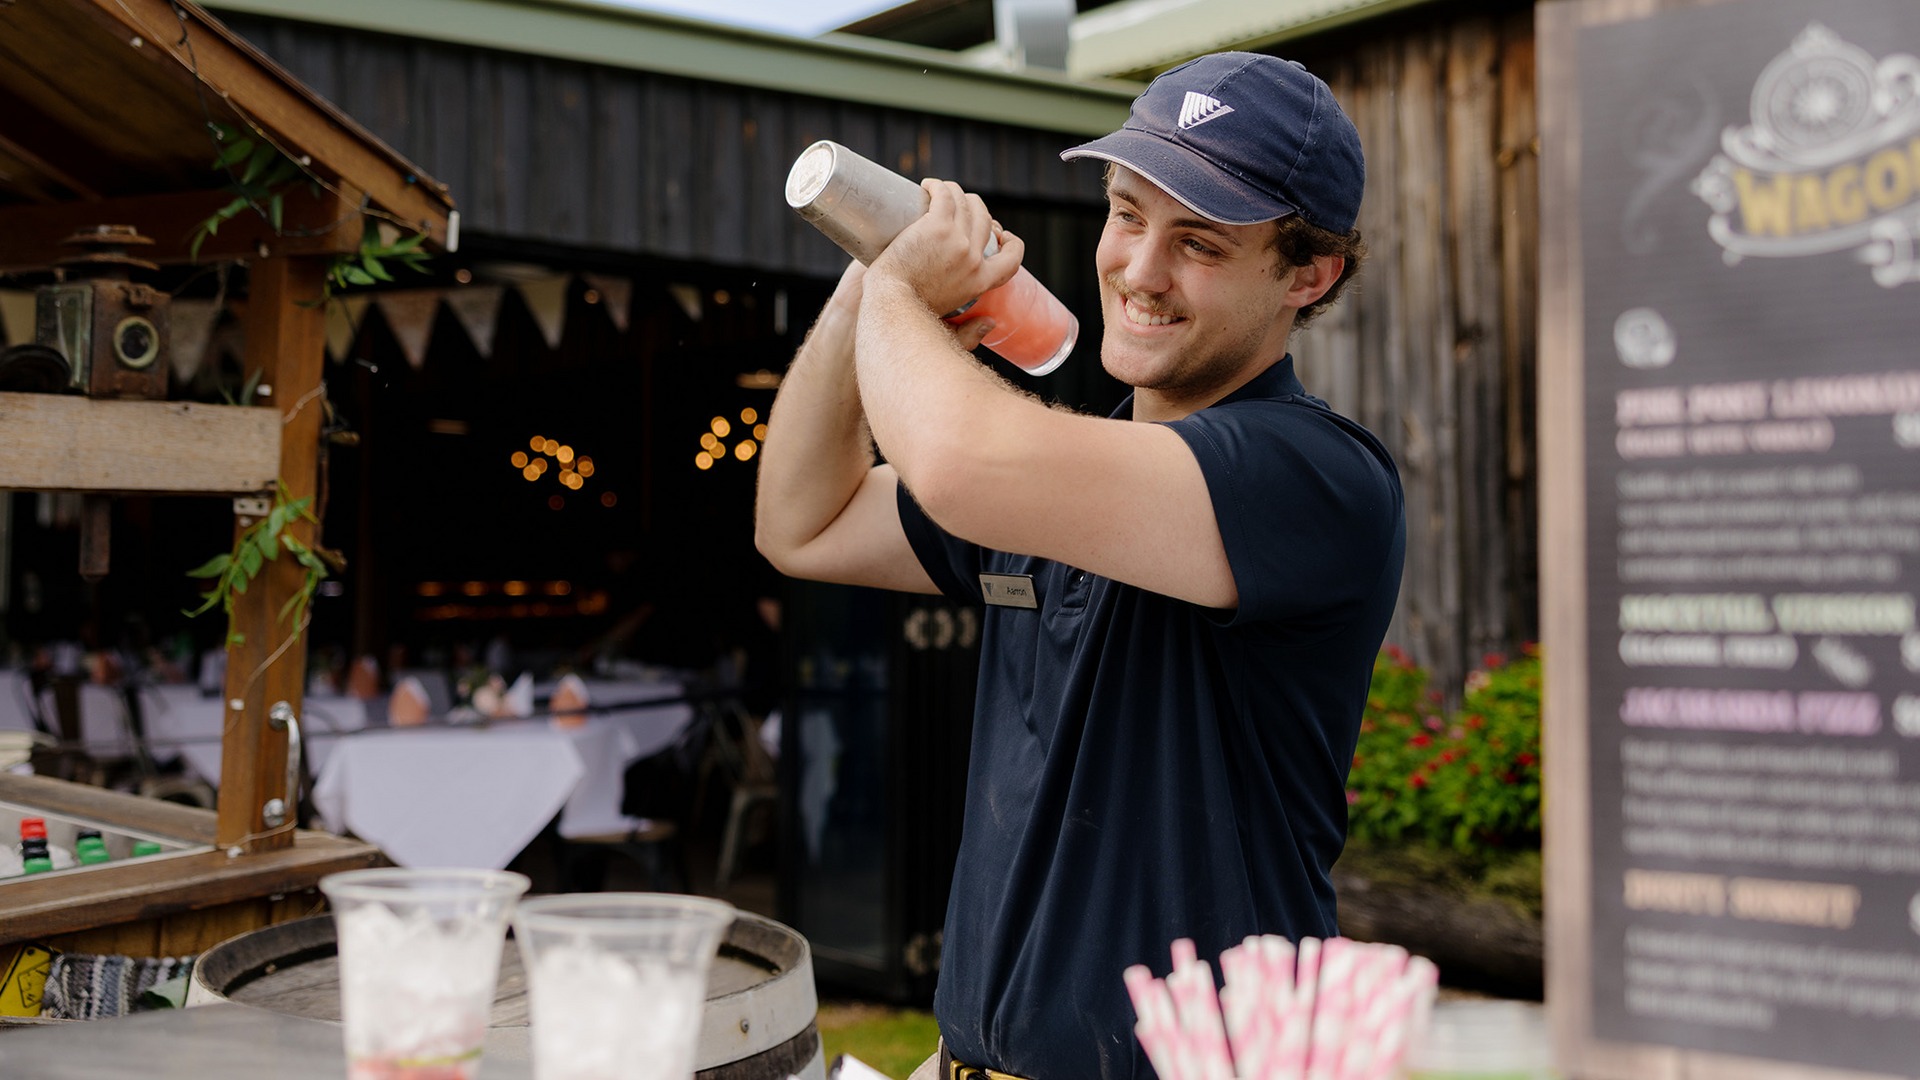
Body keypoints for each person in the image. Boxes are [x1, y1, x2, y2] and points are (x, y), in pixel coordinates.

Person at [755, 52, 1405, 1080]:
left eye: (1200, 241)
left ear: (1308, 273)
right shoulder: (1055, 482)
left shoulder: (1314, 476)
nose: (1141, 270)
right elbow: (805, 521)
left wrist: (903, 298)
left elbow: (962, 461)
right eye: (1128, 214)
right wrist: (864, 285)